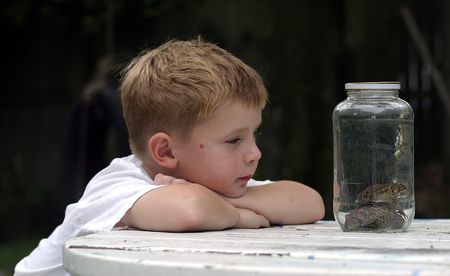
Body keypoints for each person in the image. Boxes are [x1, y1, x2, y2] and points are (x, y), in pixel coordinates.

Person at [14, 38, 325, 276]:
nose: (254, 154)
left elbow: (310, 203)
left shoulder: (213, 183)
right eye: (233, 140)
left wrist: (222, 203)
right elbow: (191, 209)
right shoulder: (117, 186)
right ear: (165, 151)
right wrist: (242, 216)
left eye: (253, 134)